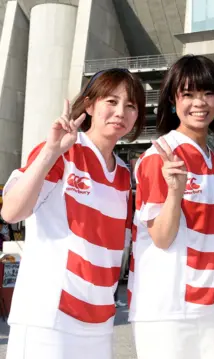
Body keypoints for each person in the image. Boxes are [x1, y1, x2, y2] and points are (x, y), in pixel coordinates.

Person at [0, 68, 146, 359]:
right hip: (49, 317)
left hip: (99, 321)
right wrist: (50, 153)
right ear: (90, 105)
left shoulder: (122, 175)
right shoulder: (63, 151)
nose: (121, 112)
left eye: (131, 106)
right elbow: (12, 211)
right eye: (112, 101)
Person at [127, 55, 214, 359]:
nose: (199, 102)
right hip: (166, 308)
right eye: (188, 94)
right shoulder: (160, 156)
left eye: (207, 93)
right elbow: (161, 237)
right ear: (173, 102)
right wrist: (175, 192)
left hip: (210, 304)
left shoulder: (212, 160)